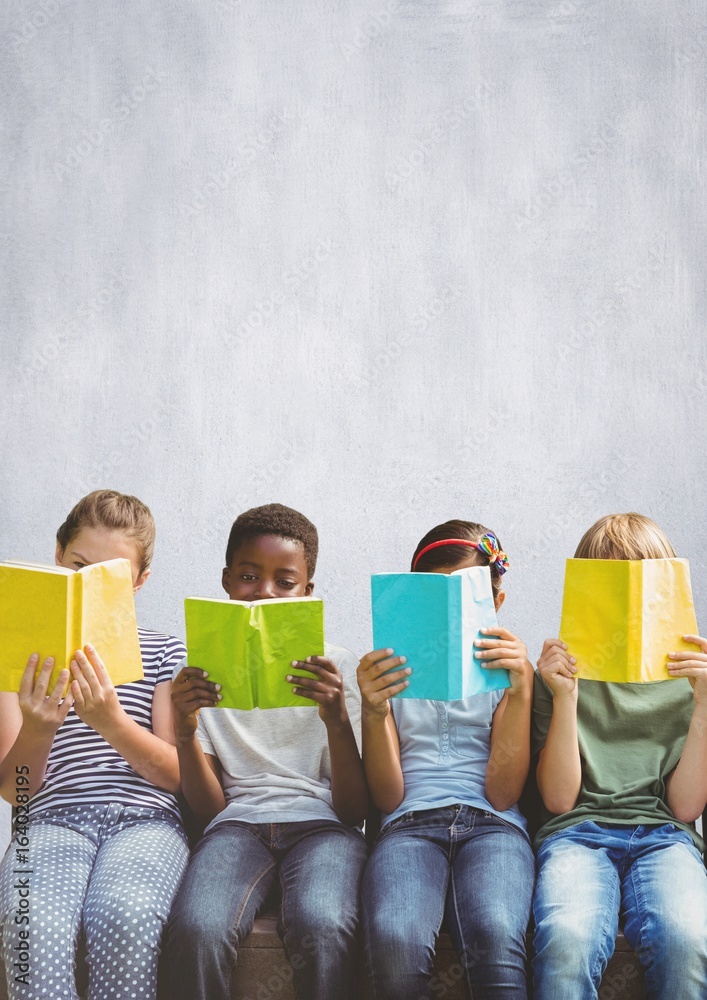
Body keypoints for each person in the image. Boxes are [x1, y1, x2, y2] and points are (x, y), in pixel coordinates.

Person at [167, 502, 368, 1000]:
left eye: (285, 581)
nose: (264, 592)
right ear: (226, 580)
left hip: (324, 826)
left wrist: (337, 719)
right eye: (249, 576)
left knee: (324, 924)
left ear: (307, 592)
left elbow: (354, 809)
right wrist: (185, 731)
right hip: (237, 824)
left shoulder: (336, 666)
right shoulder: (202, 671)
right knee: (197, 928)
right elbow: (209, 807)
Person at [0, 489, 189, 1000]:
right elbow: (16, 793)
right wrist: (39, 729)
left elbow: (177, 775)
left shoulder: (166, 650)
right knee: (31, 923)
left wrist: (111, 722)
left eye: (108, 580)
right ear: (57, 554)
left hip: (145, 821)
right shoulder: (16, 656)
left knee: (125, 916)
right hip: (49, 818)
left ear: (139, 583)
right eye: (78, 565)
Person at [531, 512, 707, 1000]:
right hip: (576, 834)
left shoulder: (691, 678)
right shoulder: (558, 672)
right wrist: (565, 696)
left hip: (665, 836)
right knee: (568, 939)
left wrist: (705, 706)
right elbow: (560, 800)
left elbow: (686, 809)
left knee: (688, 940)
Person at [358, 519, 535, 999]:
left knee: (496, 935)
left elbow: (502, 793)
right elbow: (388, 795)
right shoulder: (390, 672)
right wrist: (374, 710)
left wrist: (520, 694)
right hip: (408, 823)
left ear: (495, 603)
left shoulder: (510, 673)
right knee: (395, 939)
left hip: (494, 823)